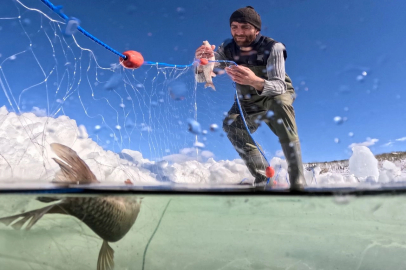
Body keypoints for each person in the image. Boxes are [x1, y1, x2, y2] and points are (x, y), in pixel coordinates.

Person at [194, 6, 307, 190]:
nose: (238, 32)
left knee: (280, 103)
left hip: (274, 92)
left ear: (256, 30)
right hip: (247, 100)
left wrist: (255, 81)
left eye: (245, 27)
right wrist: (202, 62)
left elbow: (279, 85)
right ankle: (264, 177)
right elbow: (202, 77)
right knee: (231, 125)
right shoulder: (227, 49)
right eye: (234, 27)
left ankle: (298, 179)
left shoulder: (273, 47)